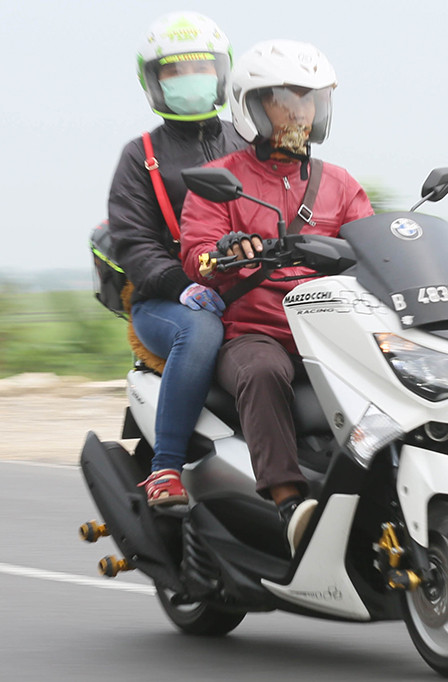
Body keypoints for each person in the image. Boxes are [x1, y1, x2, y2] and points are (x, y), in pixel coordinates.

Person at [180, 40, 374, 554]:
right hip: (255, 331)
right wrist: (223, 252)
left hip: (331, 331)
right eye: (286, 101)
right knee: (263, 372)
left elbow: (371, 243)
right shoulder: (223, 182)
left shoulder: (340, 183)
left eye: (310, 101)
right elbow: (195, 254)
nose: (300, 113)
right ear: (251, 108)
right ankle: (291, 504)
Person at [108, 12, 246, 506]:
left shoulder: (249, 144)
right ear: (153, 81)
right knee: (200, 328)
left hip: (247, 289)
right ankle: (165, 468)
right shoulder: (139, 155)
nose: (188, 80)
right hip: (165, 300)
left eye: (200, 68)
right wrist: (178, 286)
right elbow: (132, 241)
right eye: (172, 71)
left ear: (222, 73)